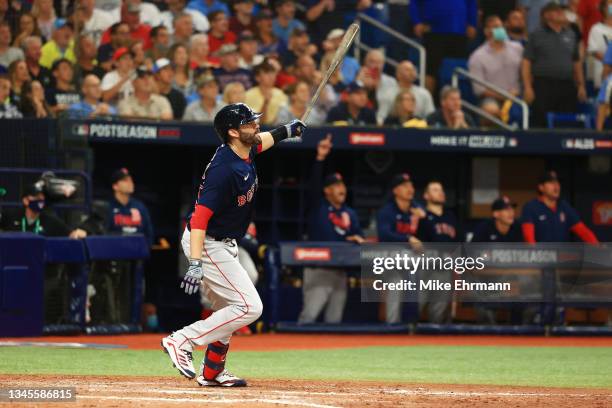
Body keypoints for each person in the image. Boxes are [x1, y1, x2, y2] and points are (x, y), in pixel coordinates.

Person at [160, 103, 305, 386]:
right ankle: (181, 340)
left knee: (229, 308)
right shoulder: (223, 170)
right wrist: (195, 263)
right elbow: (199, 218)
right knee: (250, 307)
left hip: (224, 241)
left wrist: (287, 131)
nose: (256, 126)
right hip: (208, 242)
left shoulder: (244, 148)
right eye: (249, 123)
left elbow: (262, 142)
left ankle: (212, 371)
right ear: (232, 132)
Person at [298, 134, 364, 324]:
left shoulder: (349, 213)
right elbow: (314, 186)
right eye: (335, 185)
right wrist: (320, 158)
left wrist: (357, 239)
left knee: (334, 320)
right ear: (327, 190)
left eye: (342, 185)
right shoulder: (318, 206)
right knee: (309, 315)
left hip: (340, 269)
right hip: (319, 267)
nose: (340, 188)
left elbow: (357, 234)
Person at [522, 2, 586, 128]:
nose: (562, 14)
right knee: (540, 121)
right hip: (543, 85)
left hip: (567, 85)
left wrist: (581, 85)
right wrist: (528, 87)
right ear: (547, 15)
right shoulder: (536, 34)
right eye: (558, 11)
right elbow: (526, 62)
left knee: (567, 122)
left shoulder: (571, 34)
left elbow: (576, 62)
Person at [376, 173, 426, 323]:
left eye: (410, 185)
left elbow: (427, 235)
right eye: (404, 186)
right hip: (392, 257)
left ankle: (410, 324)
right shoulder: (387, 211)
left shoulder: (417, 210)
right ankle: (393, 328)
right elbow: (384, 235)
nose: (409, 189)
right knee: (397, 284)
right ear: (395, 191)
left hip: (415, 259)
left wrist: (425, 219)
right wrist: (407, 238)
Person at [409, 0, 478, 94]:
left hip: (459, 31)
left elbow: (472, 3)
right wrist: (417, 21)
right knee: (430, 70)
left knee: (456, 71)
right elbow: (414, 2)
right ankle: (427, 103)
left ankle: (454, 103)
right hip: (433, 31)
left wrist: (472, 23)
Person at [415, 181, 458, 324]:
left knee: (440, 306)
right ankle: (407, 337)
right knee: (418, 302)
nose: (440, 192)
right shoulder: (421, 216)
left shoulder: (451, 216)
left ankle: (435, 340)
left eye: (441, 190)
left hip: (445, 262)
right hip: (424, 261)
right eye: (435, 190)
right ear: (426, 195)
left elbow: (459, 241)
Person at [521, 171, 598, 243]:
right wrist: (534, 255)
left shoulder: (564, 206)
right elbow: (528, 238)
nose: (556, 186)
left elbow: (582, 231)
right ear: (541, 187)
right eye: (551, 182)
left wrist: (598, 247)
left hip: (560, 254)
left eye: (557, 182)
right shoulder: (531, 207)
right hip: (541, 255)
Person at [468, 15, 523, 101]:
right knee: (490, 109)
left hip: (518, 96)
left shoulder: (518, 48)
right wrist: (505, 96)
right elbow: (479, 90)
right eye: (496, 27)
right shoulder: (477, 57)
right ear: (486, 32)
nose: (500, 30)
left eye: (502, 27)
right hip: (492, 98)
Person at [0, 184, 85, 238]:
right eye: (36, 197)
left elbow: (71, 234)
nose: (40, 200)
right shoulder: (11, 215)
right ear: (25, 200)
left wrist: (79, 233)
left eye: (42, 198)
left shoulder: (50, 220)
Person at [105, 168, 154, 246]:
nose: (130, 183)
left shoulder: (140, 207)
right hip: (114, 254)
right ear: (115, 186)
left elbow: (149, 234)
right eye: (125, 180)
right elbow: (103, 235)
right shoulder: (107, 208)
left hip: (137, 255)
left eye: (131, 180)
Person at [356, 49, 398, 124]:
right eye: (372, 62)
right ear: (365, 63)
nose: (376, 65)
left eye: (379, 62)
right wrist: (360, 83)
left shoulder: (391, 82)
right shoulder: (358, 79)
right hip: (364, 122)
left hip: (387, 122)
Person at [244, 61, 287, 125]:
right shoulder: (248, 95)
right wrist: (265, 103)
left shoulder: (281, 94)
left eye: (272, 73)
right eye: (266, 73)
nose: (271, 76)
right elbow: (255, 122)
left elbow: (284, 118)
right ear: (257, 78)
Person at [587, 0, 612, 89]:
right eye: (610, 4)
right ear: (603, 9)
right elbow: (594, 52)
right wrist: (609, 63)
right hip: (603, 75)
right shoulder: (596, 28)